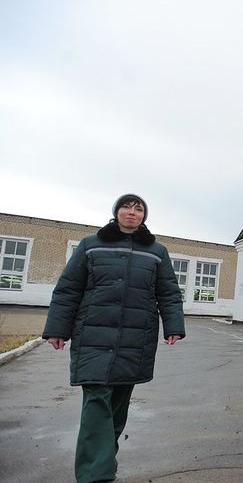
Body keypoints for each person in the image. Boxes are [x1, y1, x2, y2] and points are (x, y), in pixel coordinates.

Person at [42, 193, 185, 483]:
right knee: (97, 399)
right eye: (126, 207)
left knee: (118, 405)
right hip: (92, 333)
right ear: (116, 212)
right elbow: (68, 288)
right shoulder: (91, 245)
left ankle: (104, 460)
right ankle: (95, 474)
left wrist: (174, 326)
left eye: (138, 208)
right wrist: (58, 328)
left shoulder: (157, 251)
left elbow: (168, 292)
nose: (132, 212)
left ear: (144, 215)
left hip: (136, 337)